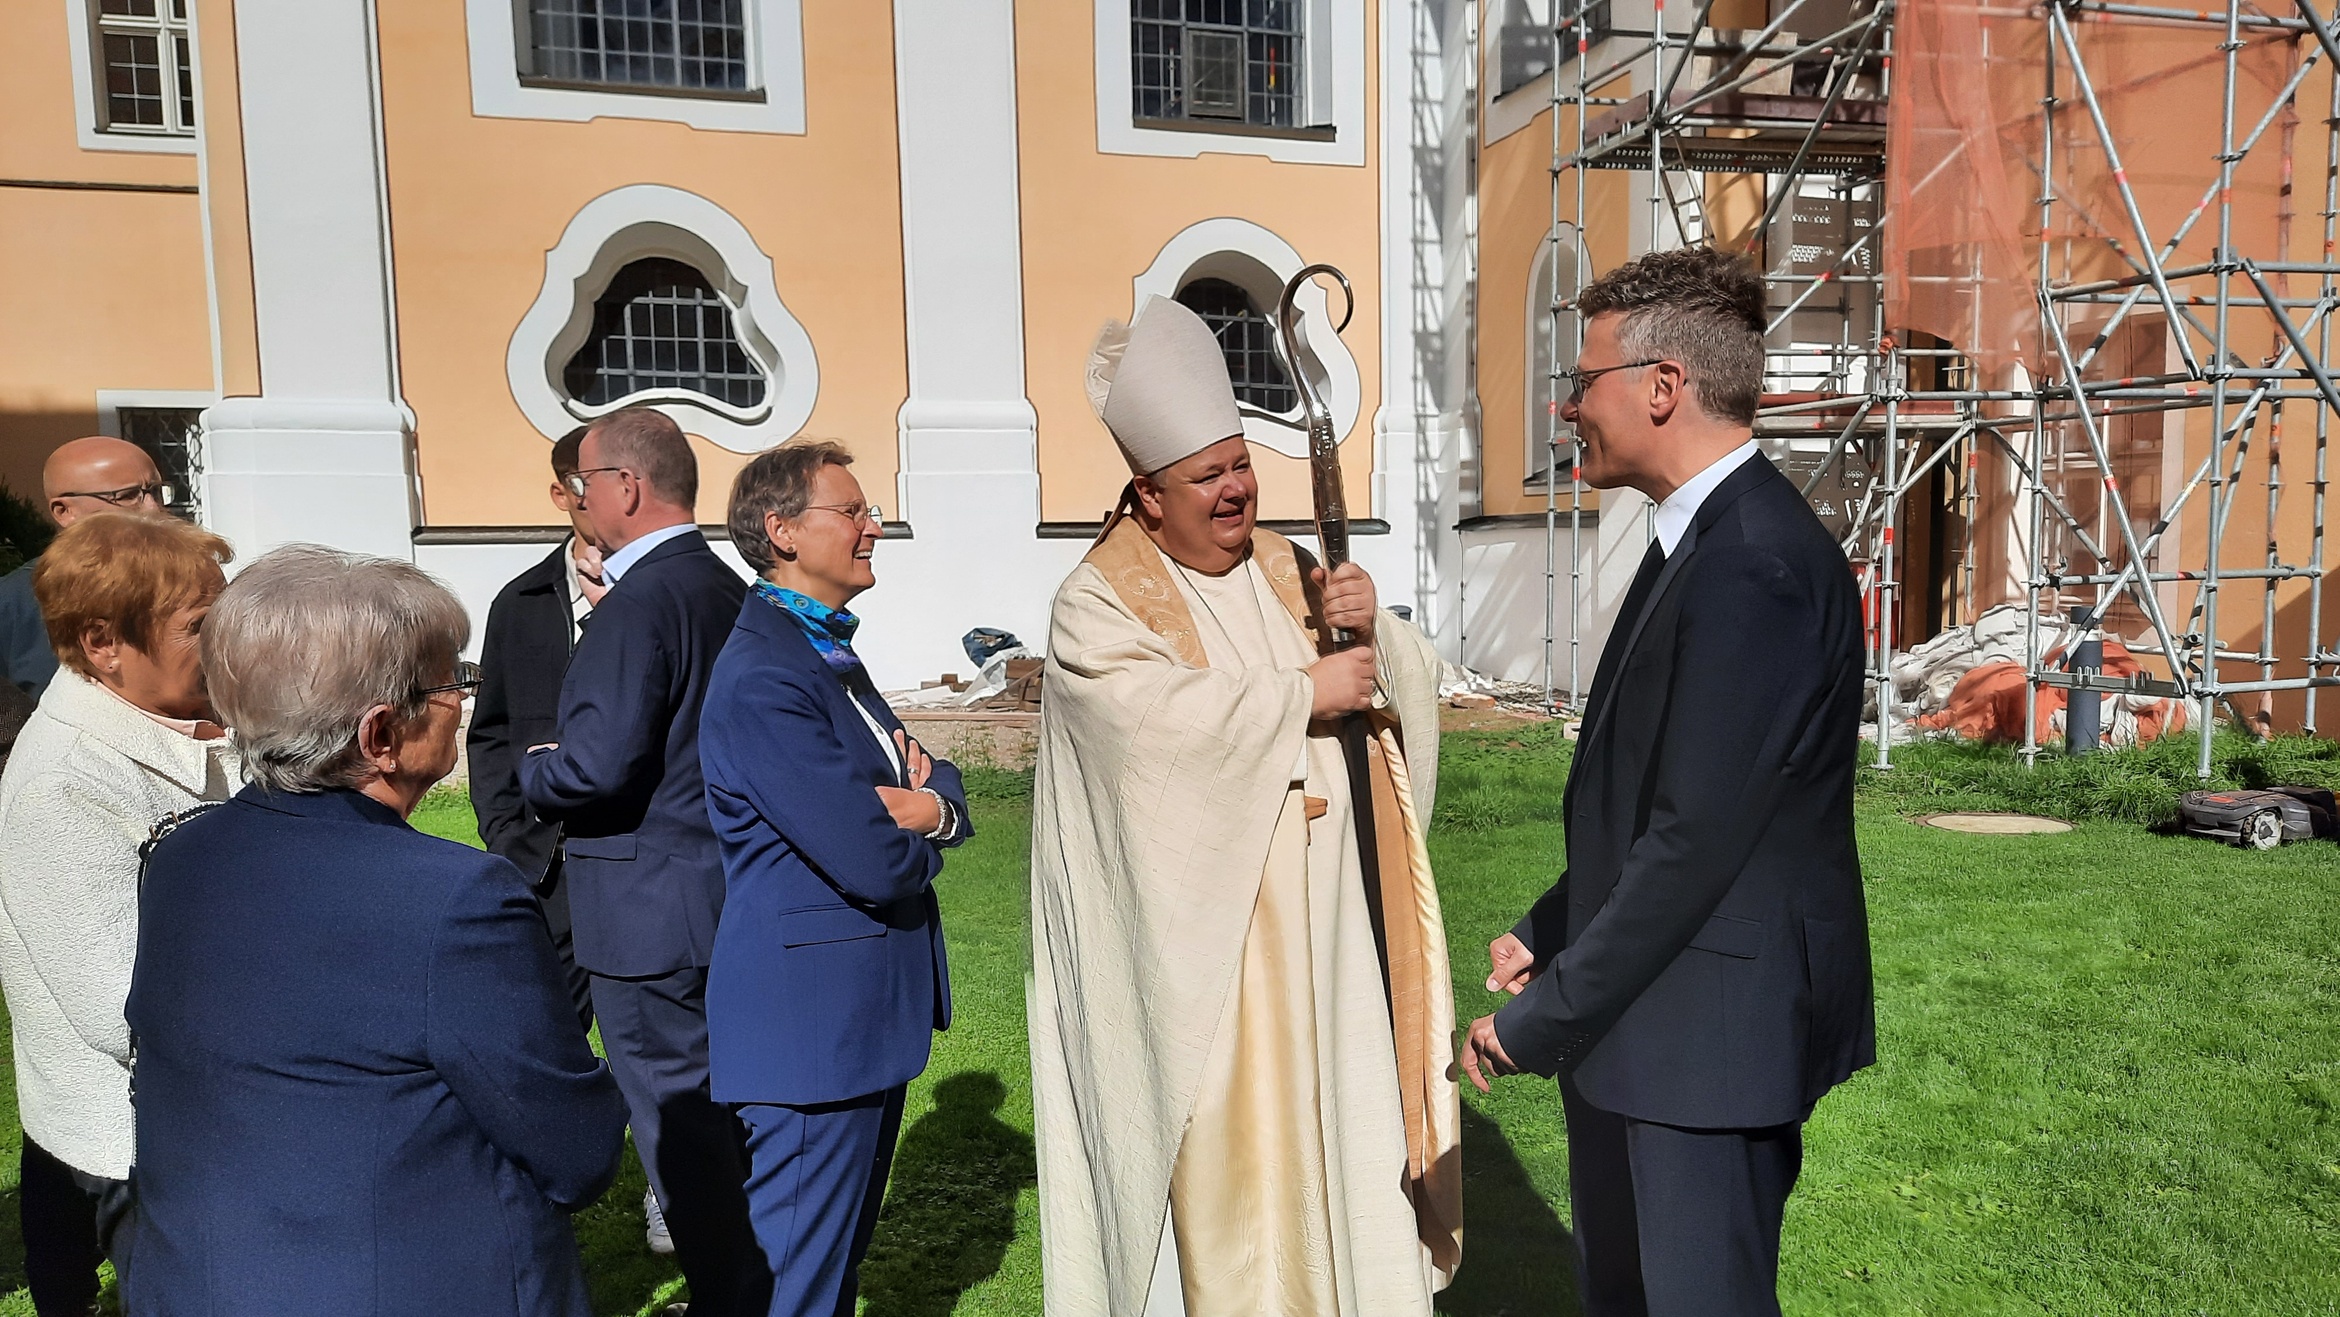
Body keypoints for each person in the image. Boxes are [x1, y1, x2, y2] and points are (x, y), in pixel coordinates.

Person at [1456, 247, 1875, 1317]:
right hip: (1658, 1029)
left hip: (1707, 1048)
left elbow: (1696, 843)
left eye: (1581, 381)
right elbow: (1663, 798)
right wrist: (1552, 926)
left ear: (1661, 386)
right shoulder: (1697, 541)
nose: (1565, 408)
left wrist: (1542, 1017)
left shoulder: (1752, 565)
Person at [1028, 295, 1460, 1316]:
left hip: (1333, 937)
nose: (1234, 491)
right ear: (1148, 493)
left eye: (1240, 466)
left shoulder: (1287, 567)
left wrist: (1374, 634)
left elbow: (1402, 684)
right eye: (1206, 477)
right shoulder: (1098, 600)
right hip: (1206, 956)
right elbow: (1137, 724)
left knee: (1344, 1124)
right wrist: (1299, 695)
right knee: (1231, 1169)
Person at [121, 544, 629, 1316]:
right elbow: (576, 1149)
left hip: (210, 1281)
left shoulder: (183, 856)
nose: (461, 696)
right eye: (451, 679)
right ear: (380, 734)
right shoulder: (457, 901)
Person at [700, 440, 972, 1316]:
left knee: (828, 1275)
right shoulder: (765, 674)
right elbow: (871, 857)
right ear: (781, 530)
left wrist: (927, 808)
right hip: (809, 1035)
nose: (871, 526)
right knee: (796, 1287)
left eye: (868, 510)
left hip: (852, 1025)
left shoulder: (821, 652)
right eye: (851, 511)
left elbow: (932, 773)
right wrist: (920, 818)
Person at [520, 407, 759, 1314]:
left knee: (679, 1131)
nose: (577, 501)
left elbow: (595, 766)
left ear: (625, 486)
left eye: (581, 485)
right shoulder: (726, 587)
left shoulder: (639, 602)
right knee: (724, 1117)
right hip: (718, 890)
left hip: (643, 913)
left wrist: (535, 768)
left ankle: (732, 1299)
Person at [0, 513, 237, 1317]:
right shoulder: (63, 781)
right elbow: (120, 1007)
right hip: (142, 1137)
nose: (229, 640)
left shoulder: (192, 715)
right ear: (103, 643)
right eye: (200, 625)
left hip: (218, 1109)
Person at [469, 425, 607, 1034]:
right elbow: (491, 731)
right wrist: (506, 834)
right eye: (589, 483)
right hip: (546, 863)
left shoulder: (674, 599)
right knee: (548, 1035)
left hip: (646, 863)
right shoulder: (520, 603)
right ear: (561, 494)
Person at [0, 437, 172, 697]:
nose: (153, 508)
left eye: (156, 492)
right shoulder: (12, 605)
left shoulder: (192, 584)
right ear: (64, 511)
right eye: (128, 496)